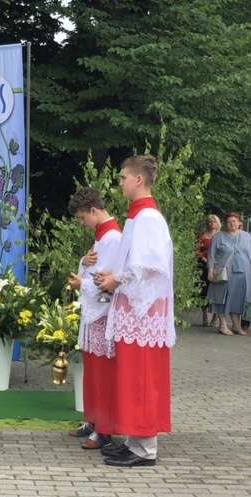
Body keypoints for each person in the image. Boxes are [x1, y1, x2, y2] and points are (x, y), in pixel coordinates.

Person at [96, 155, 176, 467]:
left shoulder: (149, 219)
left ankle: (145, 449)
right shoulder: (136, 217)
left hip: (144, 314)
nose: (121, 182)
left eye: (124, 177)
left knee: (141, 378)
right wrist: (114, 278)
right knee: (132, 377)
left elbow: (149, 264)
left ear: (139, 180)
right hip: (134, 310)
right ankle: (133, 440)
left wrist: (118, 278)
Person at [66, 187, 122, 450]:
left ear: (93, 211)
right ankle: (93, 420)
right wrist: (83, 263)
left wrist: (81, 283)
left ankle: (105, 429)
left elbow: (106, 279)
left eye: (81, 218)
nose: (82, 223)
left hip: (103, 312)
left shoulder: (112, 237)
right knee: (92, 371)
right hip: (95, 312)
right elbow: (92, 269)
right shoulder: (103, 236)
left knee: (102, 373)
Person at [206, 212, 251, 336]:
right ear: (225, 224)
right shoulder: (218, 236)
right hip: (223, 273)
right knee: (221, 298)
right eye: (229, 221)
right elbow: (211, 254)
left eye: (234, 221)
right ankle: (223, 325)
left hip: (242, 273)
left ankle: (236, 326)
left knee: (237, 298)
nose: (232, 223)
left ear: (239, 222)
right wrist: (210, 270)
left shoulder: (247, 236)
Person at [196, 215, 221, 327]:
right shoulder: (202, 235)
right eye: (209, 222)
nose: (211, 224)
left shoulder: (221, 236)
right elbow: (197, 250)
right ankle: (205, 314)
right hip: (203, 265)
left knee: (217, 290)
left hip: (218, 266)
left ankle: (215, 317)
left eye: (214, 221)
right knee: (204, 290)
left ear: (217, 223)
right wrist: (205, 260)